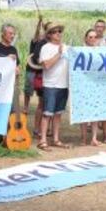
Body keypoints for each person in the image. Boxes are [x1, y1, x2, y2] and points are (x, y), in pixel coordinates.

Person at [37, 22, 70, 151]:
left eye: (60, 31)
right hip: (51, 85)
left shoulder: (66, 47)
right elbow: (46, 65)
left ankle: (56, 139)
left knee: (58, 114)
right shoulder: (46, 48)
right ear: (49, 35)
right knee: (47, 113)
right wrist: (59, 54)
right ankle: (43, 139)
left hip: (64, 85)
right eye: (55, 32)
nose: (58, 34)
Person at [0, 23, 20, 144]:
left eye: (14, 34)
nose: (12, 36)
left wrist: (17, 69)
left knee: (12, 112)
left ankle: (11, 137)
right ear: (3, 34)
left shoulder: (14, 49)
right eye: (10, 33)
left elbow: (17, 67)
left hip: (11, 85)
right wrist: (6, 59)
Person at [80, 29, 102, 146]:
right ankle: (83, 137)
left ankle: (94, 138)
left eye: (95, 37)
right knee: (83, 112)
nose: (93, 39)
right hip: (83, 85)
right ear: (86, 38)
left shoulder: (100, 52)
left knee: (95, 112)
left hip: (96, 85)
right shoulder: (80, 51)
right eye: (90, 37)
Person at [24, 16, 44, 115]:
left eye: (42, 35)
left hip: (41, 70)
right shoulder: (34, 41)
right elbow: (36, 33)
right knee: (28, 89)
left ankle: (40, 107)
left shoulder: (46, 44)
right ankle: (26, 107)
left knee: (41, 90)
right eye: (39, 35)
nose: (41, 36)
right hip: (31, 69)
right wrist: (39, 23)